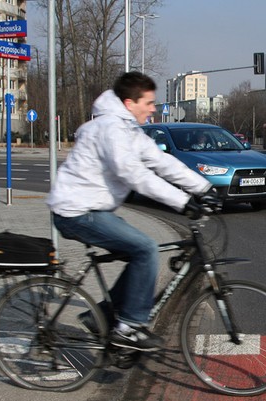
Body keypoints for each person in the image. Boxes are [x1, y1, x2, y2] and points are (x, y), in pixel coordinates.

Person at [46, 72, 213, 351]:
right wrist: (182, 202)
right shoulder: (109, 129)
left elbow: (161, 162)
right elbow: (133, 173)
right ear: (128, 103)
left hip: (94, 209)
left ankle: (100, 317)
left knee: (139, 254)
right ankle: (129, 327)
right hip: (74, 211)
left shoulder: (128, 130)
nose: (153, 109)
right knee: (145, 248)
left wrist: (204, 188)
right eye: (148, 103)